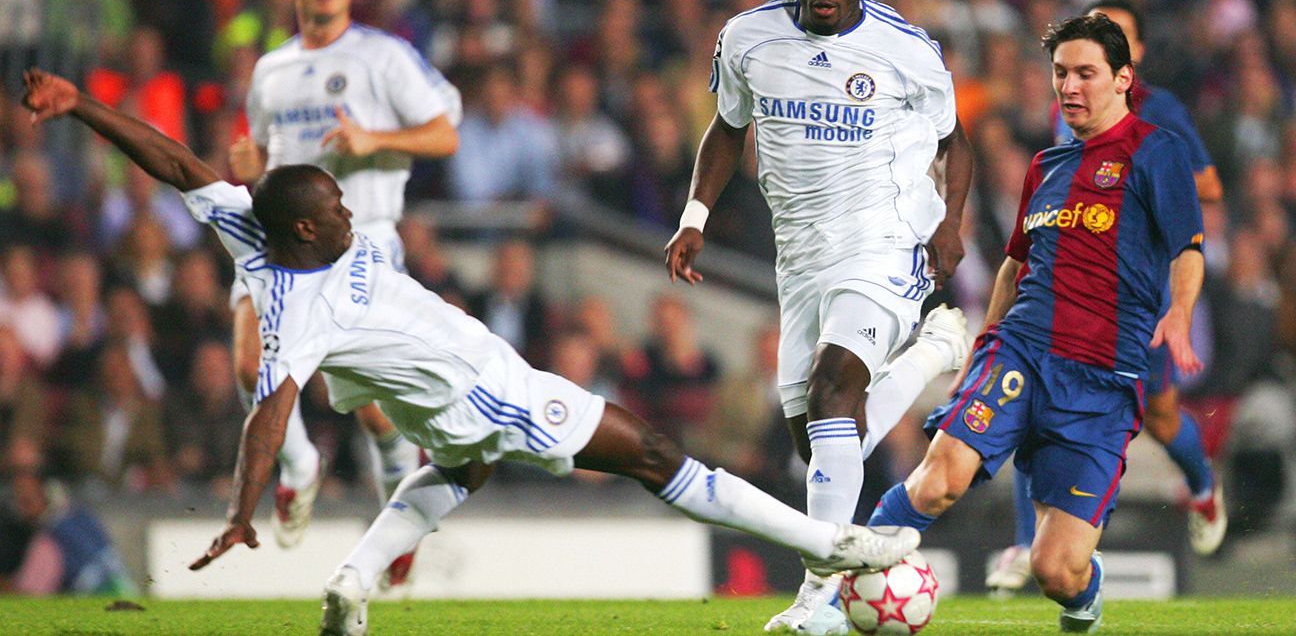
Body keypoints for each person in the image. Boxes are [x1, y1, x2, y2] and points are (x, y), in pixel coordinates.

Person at [21, 68, 920, 636]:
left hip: (436, 403)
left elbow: (176, 162)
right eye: (338, 207)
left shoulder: (248, 224)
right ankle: (834, 542)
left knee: (459, 470)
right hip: (488, 389)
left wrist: (82, 106)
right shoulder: (303, 307)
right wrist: (243, 506)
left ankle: (353, 576)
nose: (351, 212)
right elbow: (269, 412)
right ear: (308, 226)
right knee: (654, 454)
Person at [663, 0, 973, 632]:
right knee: (826, 442)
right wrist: (693, 217)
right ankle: (934, 352)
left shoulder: (907, 50)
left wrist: (951, 224)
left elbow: (957, 143)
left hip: (888, 241)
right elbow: (728, 128)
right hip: (800, 255)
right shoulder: (747, 39)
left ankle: (819, 600)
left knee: (836, 390)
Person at [867, 13, 1206, 634]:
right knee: (939, 478)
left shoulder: (1158, 153)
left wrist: (1180, 312)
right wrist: (982, 345)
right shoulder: (1046, 166)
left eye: (1086, 73)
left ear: (1123, 78)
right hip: (1020, 348)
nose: (1069, 87)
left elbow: (1187, 248)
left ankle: (1084, 593)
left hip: (1103, 381)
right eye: (1060, 74)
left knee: (1056, 569)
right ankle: (834, 598)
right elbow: (1013, 267)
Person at [225, 0, 462, 583]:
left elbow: (445, 132)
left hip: (359, 240)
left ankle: (397, 478)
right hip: (279, 239)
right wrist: (252, 166)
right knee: (252, 362)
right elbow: (266, 161)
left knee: (369, 402)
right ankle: (299, 465)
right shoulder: (271, 69)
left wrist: (372, 139)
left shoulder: (383, 58)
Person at [986, 0, 1228, 596]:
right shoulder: (1065, 107)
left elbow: (1210, 184)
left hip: (1136, 298)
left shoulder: (1162, 113)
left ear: (1133, 57)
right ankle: (1027, 541)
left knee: (1163, 417)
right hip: (1073, 296)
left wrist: (1150, 185)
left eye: (1113, 36)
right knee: (1033, 401)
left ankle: (1202, 489)